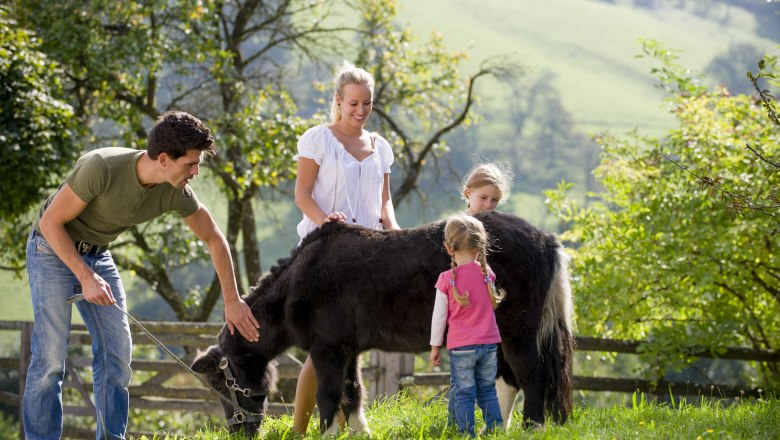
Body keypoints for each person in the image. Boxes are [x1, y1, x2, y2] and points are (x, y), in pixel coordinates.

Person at [22, 111, 260, 440]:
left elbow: (214, 238)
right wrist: (85, 276)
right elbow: (50, 223)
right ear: (164, 159)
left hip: (96, 254)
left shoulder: (174, 192)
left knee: (117, 355)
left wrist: (232, 301)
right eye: (190, 163)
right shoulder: (101, 168)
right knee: (50, 358)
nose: (196, 171)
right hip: (50, 249)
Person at [292, 61, 401, 433]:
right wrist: (326, 223)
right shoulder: (317, 139)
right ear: (338, 100)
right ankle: (298, 429)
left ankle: (346, 419)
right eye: (353, 103)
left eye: (367, 104)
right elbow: (302, 195)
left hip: (368, 255)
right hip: (323, 255)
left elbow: (384, 203)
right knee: (325, 345)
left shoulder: (381, 146)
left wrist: (395, 234)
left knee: (350, 344)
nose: (360, 111)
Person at [429, 213, 504, 436]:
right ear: (480, 246)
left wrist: (435, 346)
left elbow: (439, 317)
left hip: (462, 347)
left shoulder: (445, 279)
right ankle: (496, 429)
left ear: (448, 247)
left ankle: (466, 433)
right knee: (488, 390)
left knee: (464, 392)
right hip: (490, 344)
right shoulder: (487, 273)